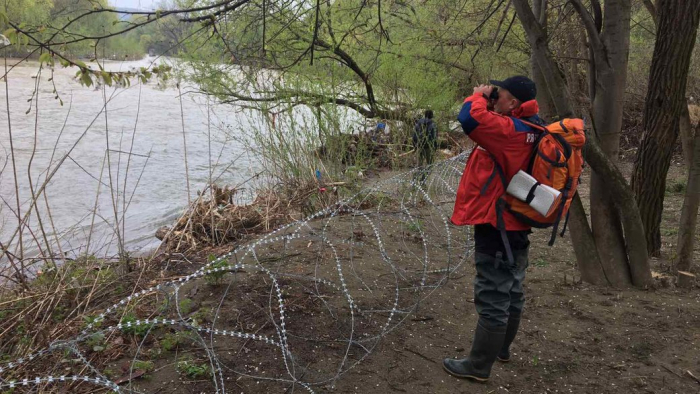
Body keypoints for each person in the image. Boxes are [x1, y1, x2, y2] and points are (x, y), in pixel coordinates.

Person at [443, 75, 544, 382]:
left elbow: (469, 119)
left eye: (500, 95)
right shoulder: (531, 125)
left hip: (497, 222)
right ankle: (500, 350)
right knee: (512, 289)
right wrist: (492, 101)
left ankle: (478, 366)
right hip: (516, 222)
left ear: (514, 102)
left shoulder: (509, 130)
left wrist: (477, 95)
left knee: (493, 292)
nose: (495, 97)